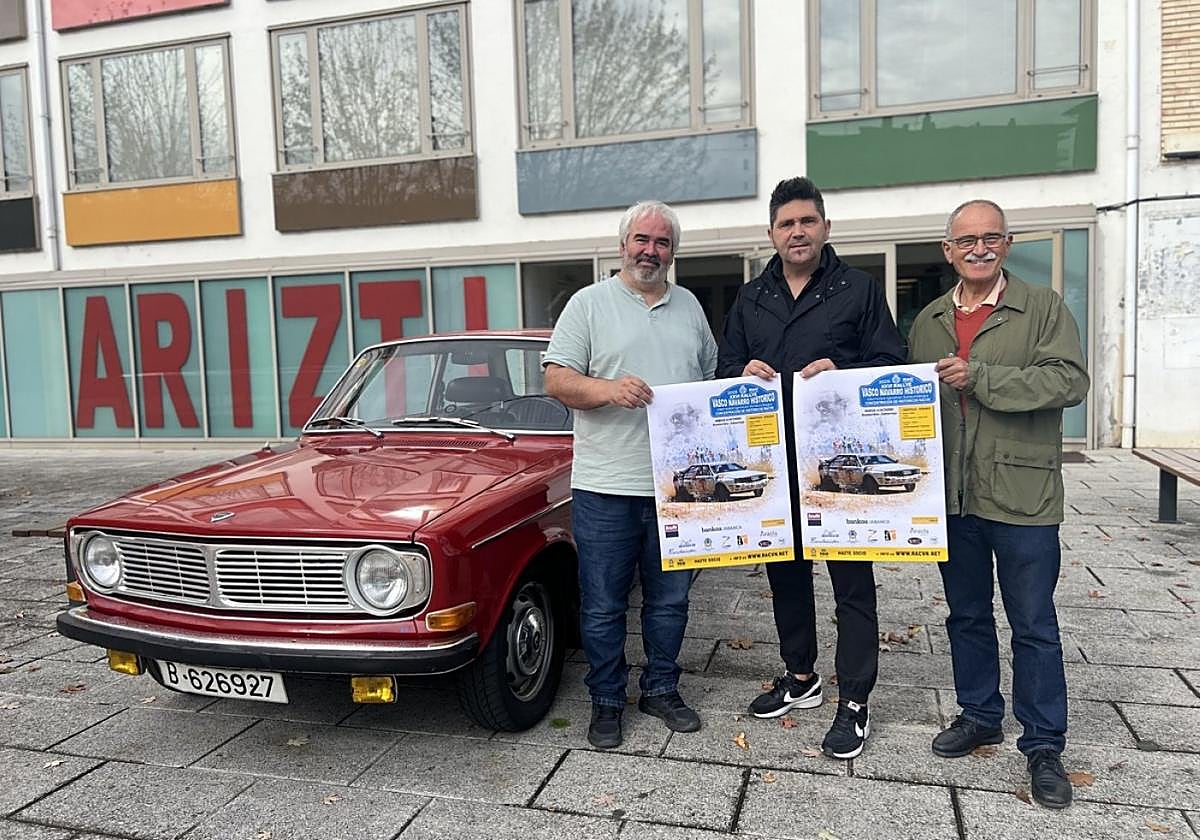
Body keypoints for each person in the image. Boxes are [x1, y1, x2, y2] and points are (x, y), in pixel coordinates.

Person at [907, 199, 1089, 809]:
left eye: (991, 238)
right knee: (965, 614)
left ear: (1007, 244)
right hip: (954, 498)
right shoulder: (929, 318)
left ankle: (1043, 744)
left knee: (1034, 624)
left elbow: (1068, 381)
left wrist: (979, 375)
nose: (979, 249)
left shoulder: (1041, 307)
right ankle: (980, 713)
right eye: (967, 240)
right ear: (948, 250)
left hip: (1023, 495)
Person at [718, 177, 905, 759]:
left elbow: (891, 364)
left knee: (852, 585)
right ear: (771, 234)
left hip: (840, 467)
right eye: (785, 224)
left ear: (826, 227)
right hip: (774, 466)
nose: (797, 232)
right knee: (785, 577)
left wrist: (843, 372)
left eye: (807, 222)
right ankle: (800, 676)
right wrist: (740, 373)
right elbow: (724, 370)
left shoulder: (859, 289)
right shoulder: (752, 298)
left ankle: (855, 700)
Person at [544, 200, 718, 749]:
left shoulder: (690, 306)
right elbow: (556, 380)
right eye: (642, 240)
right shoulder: (588, 304)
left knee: (671, 601)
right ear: (624, 244)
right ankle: (607, 699)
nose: (651, 251)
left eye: (662, 243)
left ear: (673, 252)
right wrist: (609, 390)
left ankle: (661, 688)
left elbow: (709, 380)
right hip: (605, 487)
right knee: (602, 602)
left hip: (678, 487)